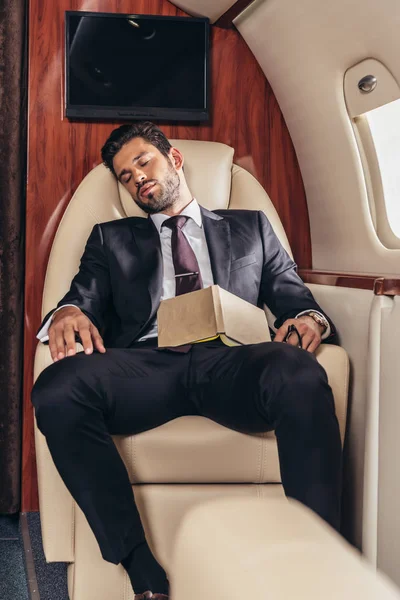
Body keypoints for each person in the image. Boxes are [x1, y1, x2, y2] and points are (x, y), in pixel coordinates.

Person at [32, 122, 342, 599]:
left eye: (143, 162)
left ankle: (316, 563)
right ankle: (140, 569)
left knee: (300, 372)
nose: (137, 178)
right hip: (148, 367)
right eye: (125, 176)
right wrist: (68, 311)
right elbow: (81, 300)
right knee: (56, 388)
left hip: (230, 363)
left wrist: (309, 322)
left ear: (173, 158)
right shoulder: (110, 239)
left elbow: (296, 300)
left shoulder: (251, 227)